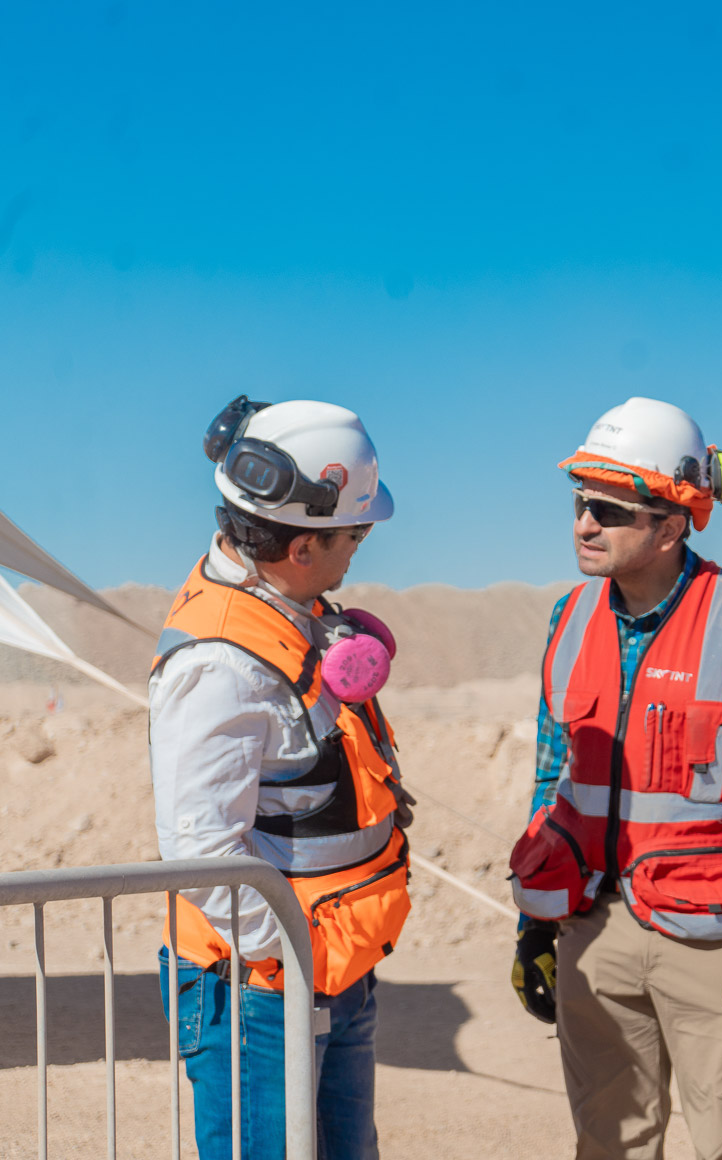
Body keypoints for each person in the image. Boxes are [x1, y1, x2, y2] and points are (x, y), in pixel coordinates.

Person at [507, 397, 722, 1160]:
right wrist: (535, 920)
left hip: (714, 936)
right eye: (579, 504)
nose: (583, 525)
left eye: (607, 511)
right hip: (592, 927)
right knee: (608, 1144)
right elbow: (553, 781)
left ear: (670, 525)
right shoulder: (568, 618)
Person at [150, 395, 409, 1159]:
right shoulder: (219, 664)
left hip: (330, 967)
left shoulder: (288, 608)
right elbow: (202, 852)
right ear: (301, 547)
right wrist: (296, 955)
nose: (358, 550)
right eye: (355, 534)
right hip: (264, 987)